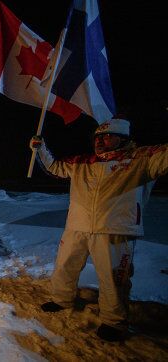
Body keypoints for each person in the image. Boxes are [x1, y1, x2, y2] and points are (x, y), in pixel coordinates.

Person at [30, 117, 168, 342]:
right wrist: (41, 149)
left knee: (113, 278)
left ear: (123, 139)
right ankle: (61, 299)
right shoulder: (83, 162)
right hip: (77, 225)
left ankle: (114, 321)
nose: (101, 141)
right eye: (98, 137)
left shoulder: (141, 159)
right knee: (65, 265)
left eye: (107, 136)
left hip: (115, 228)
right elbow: (54, 167)